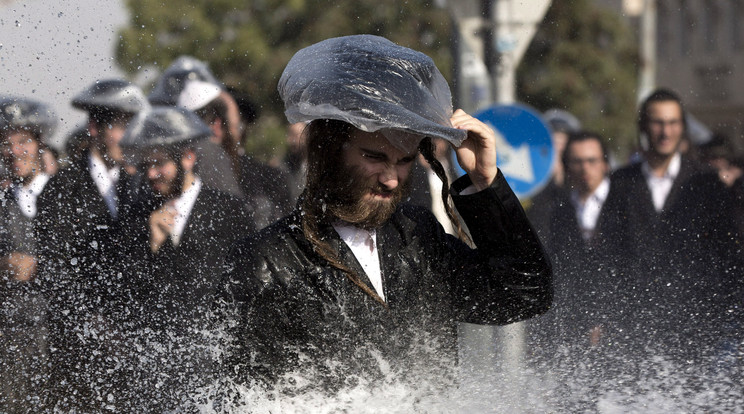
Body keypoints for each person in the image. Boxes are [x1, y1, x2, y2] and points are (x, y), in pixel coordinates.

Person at [215, 35, 552, 395]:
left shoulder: (418, 236)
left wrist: (486, 186)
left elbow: (523, 294)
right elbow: (248, 397)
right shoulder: (267, 261)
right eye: (374, 158)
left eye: (404, 161)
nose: (391, 179)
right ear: (331, 151)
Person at [117, 106, 255, 410]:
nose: (151, 174)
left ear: (188, 158)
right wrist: (151, 243)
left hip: (215, 357)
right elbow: (126, 288)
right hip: (157, 364)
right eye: (146, 165)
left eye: (160, 164)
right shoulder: (136, 216)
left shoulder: (229, 209)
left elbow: (249, 281)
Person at [34, 78, 151, 410]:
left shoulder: (143, 186)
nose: (128, 138)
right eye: (120, 127)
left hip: (134, 349)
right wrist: (91, 322)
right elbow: (54, 269)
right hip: (78, 350)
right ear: (94, 127)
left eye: (133, 128)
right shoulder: (60, 189)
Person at [602, 88, 741, 360]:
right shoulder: (621, 182)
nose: (665, 132)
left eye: (673, 123)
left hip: (697, 326)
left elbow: (726, 251)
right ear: (643, 127)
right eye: (658, 123)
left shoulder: (706, 181)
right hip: (634, 327)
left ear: (682, 128)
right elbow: (609, 252)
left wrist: (723, 311)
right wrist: (606, 314)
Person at [0, 97, 57, 412]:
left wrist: (40, 265)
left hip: (58, 332)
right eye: (6, 144)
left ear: (39, 143)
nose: (14, 151)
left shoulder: (67, 195)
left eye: (23, 141)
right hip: (10, 335)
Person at [178, 80, 291, 228]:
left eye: (240, 121)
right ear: (217, 124)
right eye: (233, 119)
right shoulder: (198, 164)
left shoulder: (270, 176)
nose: (237, 127)